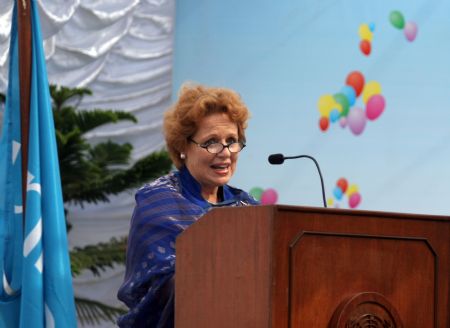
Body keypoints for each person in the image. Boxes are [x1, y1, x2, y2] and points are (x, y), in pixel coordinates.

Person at [117, 83, 259, 327]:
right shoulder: (157, 200)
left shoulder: (248, 207)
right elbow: (165, 288)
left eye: (232, 141)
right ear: (183, 146)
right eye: (212, 142)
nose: (225, 152)